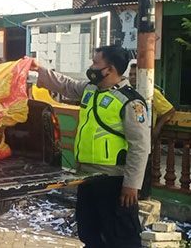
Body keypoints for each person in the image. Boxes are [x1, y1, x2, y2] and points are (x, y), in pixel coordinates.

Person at [32, 45, 149, 247]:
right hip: (86, 176)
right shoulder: (90, 90)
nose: (92, 66)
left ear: (109, 69)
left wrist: (132, 185)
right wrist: (40, 70)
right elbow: (67, 85)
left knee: (121, 238)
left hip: (113, 180)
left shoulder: (130, 102)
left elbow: (140, 146)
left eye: (96, 63)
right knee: (89, 233)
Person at [128, 63, 176, 199]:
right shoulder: (127, 92)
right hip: (129, 137)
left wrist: (157, 128)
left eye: (135, 75)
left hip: (145, 136)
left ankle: (143, 197)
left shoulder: (152, 92)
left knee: (143, 169)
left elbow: (169, 110)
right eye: (130, 75)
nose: (132, 78)